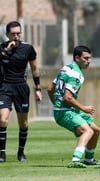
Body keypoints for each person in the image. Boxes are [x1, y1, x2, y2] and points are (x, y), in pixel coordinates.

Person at [47, 45, 100, 168]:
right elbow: (67, 97)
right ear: (77, 58)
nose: (89, 61)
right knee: (88, 131)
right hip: (65, 112)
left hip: (67, 110)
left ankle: (89, 160)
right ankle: (75, 161)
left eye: (90, 58)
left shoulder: (65, 69)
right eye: (86, 58)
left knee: (96, 130)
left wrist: (56, 105)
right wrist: (84, 108)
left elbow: (50, 89)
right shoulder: (76, 74)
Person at [0, 21, 42, 163]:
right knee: (3, 120)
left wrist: (38, 89)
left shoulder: (28, 48)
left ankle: (21, 153)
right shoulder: (1, 48)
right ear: (7, 35)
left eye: (18, 33)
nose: (16, 36)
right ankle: (2, 154)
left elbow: (35, 69)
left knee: (23, 124)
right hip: (4, 87)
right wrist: (7, 49)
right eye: (13, 34)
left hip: (21, 88)